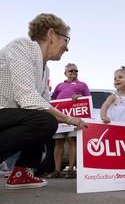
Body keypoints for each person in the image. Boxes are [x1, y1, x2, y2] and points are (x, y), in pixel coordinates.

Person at [0, 13, 87, 189]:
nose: (67, 48)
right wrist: (69, 119)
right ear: (51, 34)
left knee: (47, 120)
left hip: (9, 117)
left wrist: (75, 120)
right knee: (44, 120)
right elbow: (28, 99)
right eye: (66, 40)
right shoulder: (23, 46)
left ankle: (21, 173)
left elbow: (45, 103)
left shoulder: (45, 71)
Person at [46, 63, 90, 179]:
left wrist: (80, 97)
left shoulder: (82, 85)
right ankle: (57, 170)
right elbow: (53, 99)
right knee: (58, 142)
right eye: (71, 71)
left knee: (72, 141)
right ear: (65, 73)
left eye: (76, 71)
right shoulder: (60, 85)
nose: (74, 73)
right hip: (60, 117)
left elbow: (88, 100)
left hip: (74, 118)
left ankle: (70, 170)